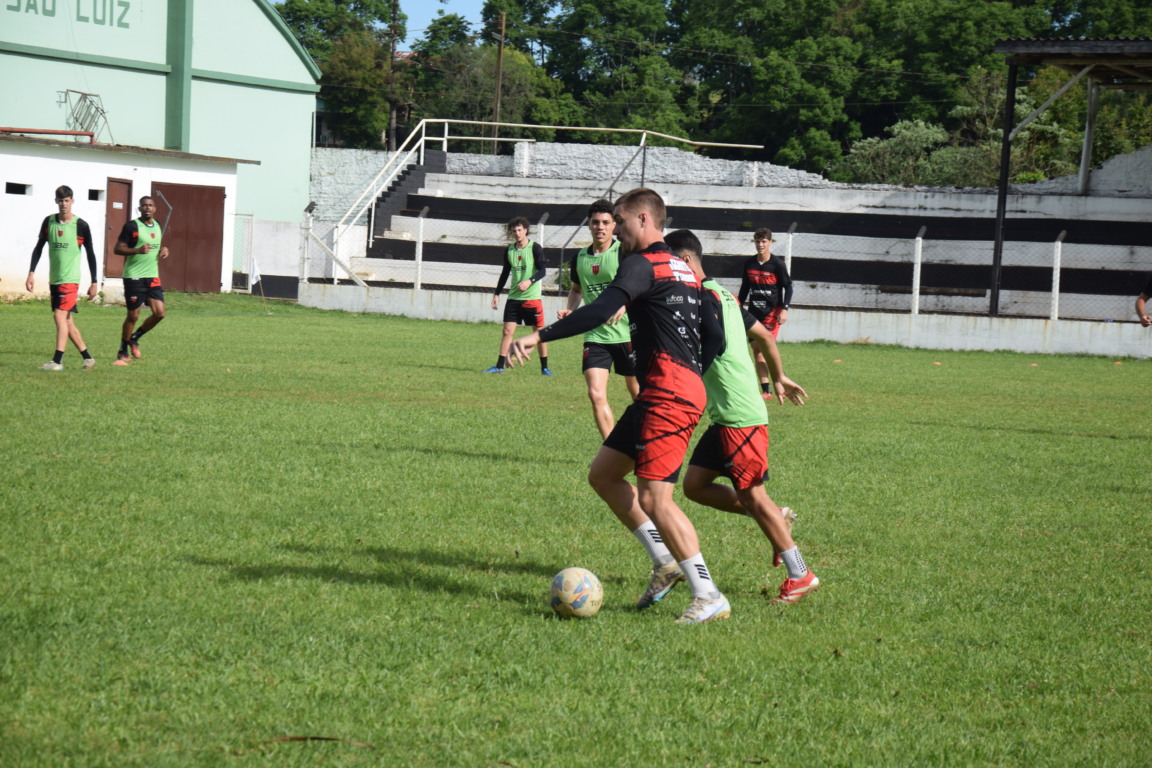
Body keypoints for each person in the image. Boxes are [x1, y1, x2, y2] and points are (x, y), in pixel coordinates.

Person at [508, 188, 730, 624]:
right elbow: (714, 337)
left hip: (670, 392)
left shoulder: (642, 262)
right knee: (604, 475)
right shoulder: (685, 269)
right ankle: (665, 561)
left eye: (623, 224)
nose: (620, 233)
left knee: (655, 497)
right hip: (668, 389)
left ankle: (708, 593)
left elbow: (603, 307)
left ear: (644, 219)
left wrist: (540, 336)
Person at [666, 229, 819, 604]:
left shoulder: (703, 297)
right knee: (695, 486)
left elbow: (714, 340)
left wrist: (686, 366)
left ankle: (801, 573)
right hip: (726, 416)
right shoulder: (725, 294)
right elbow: (765, 336)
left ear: (685, 262)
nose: (667, 274)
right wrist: (778, 376)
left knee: (752, 495)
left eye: (670, 265)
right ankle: (775, 515)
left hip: (740, 416)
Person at [558, 199, 640, 438]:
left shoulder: (624, 253)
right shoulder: (579, 258)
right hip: (595, 335)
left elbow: (639, 287)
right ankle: (611, 448)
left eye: (606, 222)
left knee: (638, 395)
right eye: (595, 222)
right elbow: (576, 289)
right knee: (595, 394)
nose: (600, 227)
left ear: (614, 225)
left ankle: (647, 441)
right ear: (589, 225)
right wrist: (571, 310)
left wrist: (625, 304)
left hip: (627, 334)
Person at [25, 185, 99, 371]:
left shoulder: (81, 225)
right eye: (60, 200)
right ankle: (88, 358)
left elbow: (91, 254)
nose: (64, 204)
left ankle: (57, 361)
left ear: (72, 201)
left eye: (67, 200)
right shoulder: (49, 222)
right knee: (67, 321)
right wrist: (31, 272)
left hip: (70, 280)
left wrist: (94, 281)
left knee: (59, 316)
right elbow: (39, 248)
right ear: (56, 201)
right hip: (55, 279)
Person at [485, 217, 551, 375]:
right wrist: (497, 294)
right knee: (507, 331)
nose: (517, 233)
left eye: (520, 230)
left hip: (532, 299)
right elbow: (505, 273)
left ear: (526, 230)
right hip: (514, 298)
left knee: (539, 332)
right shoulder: (509, 250)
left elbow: (543, 271)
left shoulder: (535, 248)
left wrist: (530, 281)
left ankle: (545, 368)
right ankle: (499, 366)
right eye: (514, 231)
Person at [113, 196, 170, 365]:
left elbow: (156, 245)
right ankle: (123, 349)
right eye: (144, 205)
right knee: (133, 315)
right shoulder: (132, 226)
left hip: (152, 276)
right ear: (140, 208)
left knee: (160, 313)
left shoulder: (158, 225)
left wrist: (164, 249)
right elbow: (118, 248)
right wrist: (137, 250)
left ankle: (134, 338)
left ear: (155, 208)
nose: (147, 208)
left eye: (150, 205)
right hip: (134, 276)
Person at [738, 228, 793, 398]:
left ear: (770, 243)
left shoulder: (777, 264)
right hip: (754, 312)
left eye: (764, 242)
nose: (760, 245)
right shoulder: (749, 263)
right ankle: (766, 390)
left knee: (764, 348)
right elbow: (745, 287)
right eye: (757, 241)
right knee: (756, 350)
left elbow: (788, 286)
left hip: (771, 313)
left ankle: (779, 382)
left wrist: (784, 309)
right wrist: (738, 306)